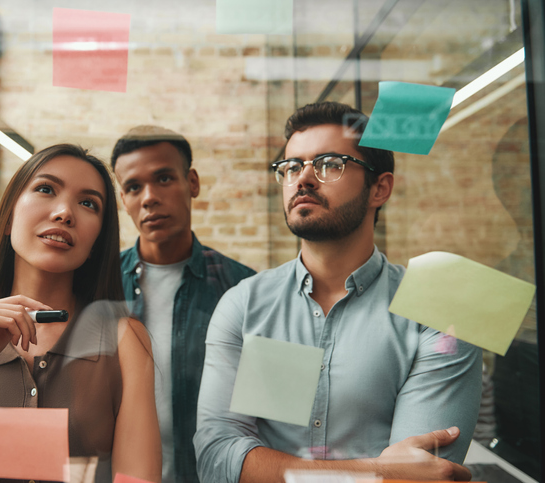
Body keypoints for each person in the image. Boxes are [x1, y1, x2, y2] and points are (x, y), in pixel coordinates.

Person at [194, 102, 483, 483]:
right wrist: (378, 472)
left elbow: (424, 477)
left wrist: (273, 470)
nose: (304, 179)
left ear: (380, 188)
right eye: (292, 167)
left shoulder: (441, 310)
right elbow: (217, 459)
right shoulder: (245, 305)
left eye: (330, 164)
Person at [0, 144, 162, 483]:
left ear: (97, 241)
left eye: (88, 203)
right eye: (46, 189)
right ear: (8, 218)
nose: (64, 212)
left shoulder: (124, 341)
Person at [111, 126, 256, 483]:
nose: (149, 198)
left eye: (163, 179)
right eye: (133, 187)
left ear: (192, 182)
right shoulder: (100, 286)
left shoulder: (244, 288)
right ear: (123, 200)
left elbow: (271, 416)